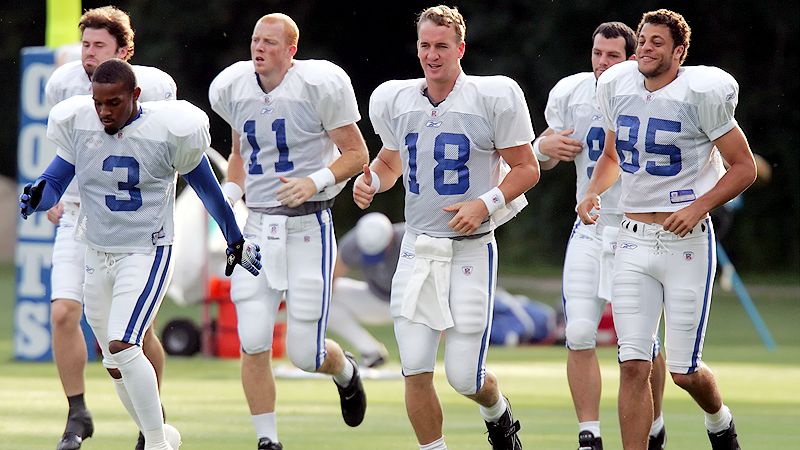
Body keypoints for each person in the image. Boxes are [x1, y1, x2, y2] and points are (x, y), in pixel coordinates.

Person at [20, 59, 261, 450]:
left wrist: (235, 237)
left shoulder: (168, 130)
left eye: (113, 102)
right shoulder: (80, 124)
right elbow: (54, 182)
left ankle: (155, 443)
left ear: (134, 96)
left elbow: (208, 190)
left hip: (146, 250)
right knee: (114, 363)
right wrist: (35, 196)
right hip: (97, 252)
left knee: (124, 345)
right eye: (98, 103)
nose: (104, 112)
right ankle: (163, 434)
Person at [354, 5, 539, 449]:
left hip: (471, 249)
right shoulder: (397, 100)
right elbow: (390, 159)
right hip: (418, 248)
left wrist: (484, 202)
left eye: (441, 45)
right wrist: (373, 182)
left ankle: (498, 413)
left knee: (463, 376)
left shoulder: (490, 98)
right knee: (414, 366)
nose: (432, 55)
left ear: (460, 48)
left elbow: (527, 167)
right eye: (424, 45)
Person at [577, 9, 754, 450]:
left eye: (658, 41)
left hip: (685, 243)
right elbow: (614, 156)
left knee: (683, 372)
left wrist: (699, 207)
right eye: (643, 39)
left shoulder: (701, 94)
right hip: (632, 239)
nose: (646, 47)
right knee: (633, 365)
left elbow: (744, 167)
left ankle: (719, 419)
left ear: (679, 51)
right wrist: (593, 191)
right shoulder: (617, 85)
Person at [208, 13, 370, 450]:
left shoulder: (317, 87)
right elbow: (240, 152)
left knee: (304, 354)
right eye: (255, 40)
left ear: (291, 50)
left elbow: (356, 154)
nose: (259, 49)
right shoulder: (234, 88)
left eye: (270, 42)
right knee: (254, 338)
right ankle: (268, 440)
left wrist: (314, 181)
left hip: (308, 227)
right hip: (257, 229)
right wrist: (230, 190)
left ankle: (345, 372)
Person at [43, 6, 176, 450]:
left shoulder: (154, 87)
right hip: (80, 213)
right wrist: (50, 193)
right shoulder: (63, 86)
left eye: (99, 45)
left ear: (124, 50)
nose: (89, 54)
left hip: (130, 224)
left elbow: (168, 155)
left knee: (136, 334)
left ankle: (151, 423)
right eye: (85, 44)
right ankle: (77, 411)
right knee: (64, 312)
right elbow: (59, 152)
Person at [534, 22, 667, 450]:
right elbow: (541, 157)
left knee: (642, 345)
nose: (602, 63)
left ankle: (654, 422)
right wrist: (543, 148)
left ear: (631, 58)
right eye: (597, 53)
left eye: (612, 55)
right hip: (591, 230)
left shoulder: (649, 93)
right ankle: (588, 434)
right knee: (578, 332)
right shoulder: (571, 92)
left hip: (639, 233)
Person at [329, 212, 403, 368]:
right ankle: (371, 351)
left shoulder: (408, 238)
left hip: (413, 303)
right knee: (326, 297)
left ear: (390, 238)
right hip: (378, 299)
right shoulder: (353, 244)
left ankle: (415, 356)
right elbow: (332, 278)